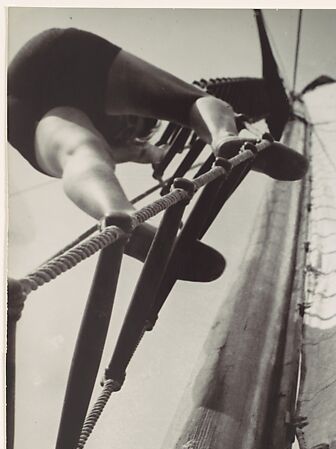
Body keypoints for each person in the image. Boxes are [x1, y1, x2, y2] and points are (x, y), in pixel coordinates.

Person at [8, 28, 308, 280]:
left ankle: (120, 216)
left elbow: (122, 152)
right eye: (132, 120)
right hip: (59, 62)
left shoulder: (104, 143)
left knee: (79, 152)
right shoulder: (128, 146)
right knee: (193, 102)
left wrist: (151, 153)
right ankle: (225, 136)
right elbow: (149, 149)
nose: (126, 125)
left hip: (21, 101)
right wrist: (153, 152)